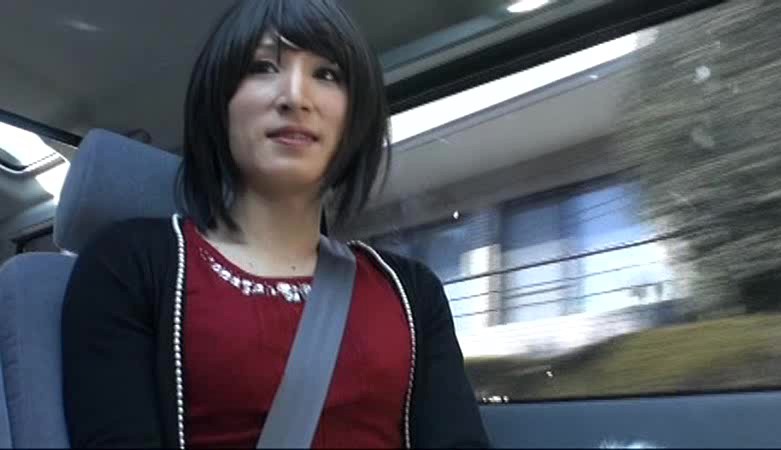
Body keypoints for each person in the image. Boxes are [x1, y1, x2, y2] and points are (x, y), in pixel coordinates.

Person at [61, 0, 489, 448]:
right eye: (263, 67)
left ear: (355, 117)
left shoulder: (412, 292)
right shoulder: (130, 266)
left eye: (327, 74)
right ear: (220, 103)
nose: (295, 97)